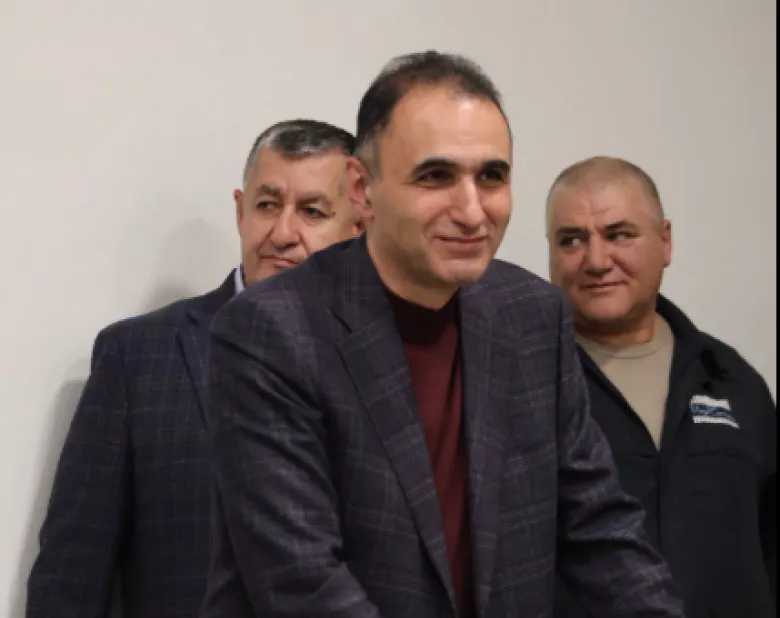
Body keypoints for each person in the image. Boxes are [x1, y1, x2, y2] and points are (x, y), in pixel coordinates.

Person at [201, 51, 685, 618]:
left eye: (491, 177)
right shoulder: (270, 331)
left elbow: (600, 527)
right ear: (361, 188)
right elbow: (303, 583)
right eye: (436, 176)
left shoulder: (531, 316)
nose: (472, 211)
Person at [25, 119, 364, 618]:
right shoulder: (137, 358)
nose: (282, 233)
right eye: (267, 205)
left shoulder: (391, 364)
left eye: (312, 211)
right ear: (240, 210)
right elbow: (70, 577)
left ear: (360, 225)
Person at [546, 155, 776, 618]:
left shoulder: (733, 382)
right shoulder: (526, 388)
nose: (596, 260)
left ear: (665, 241)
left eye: (619, 235)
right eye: (571, 240)